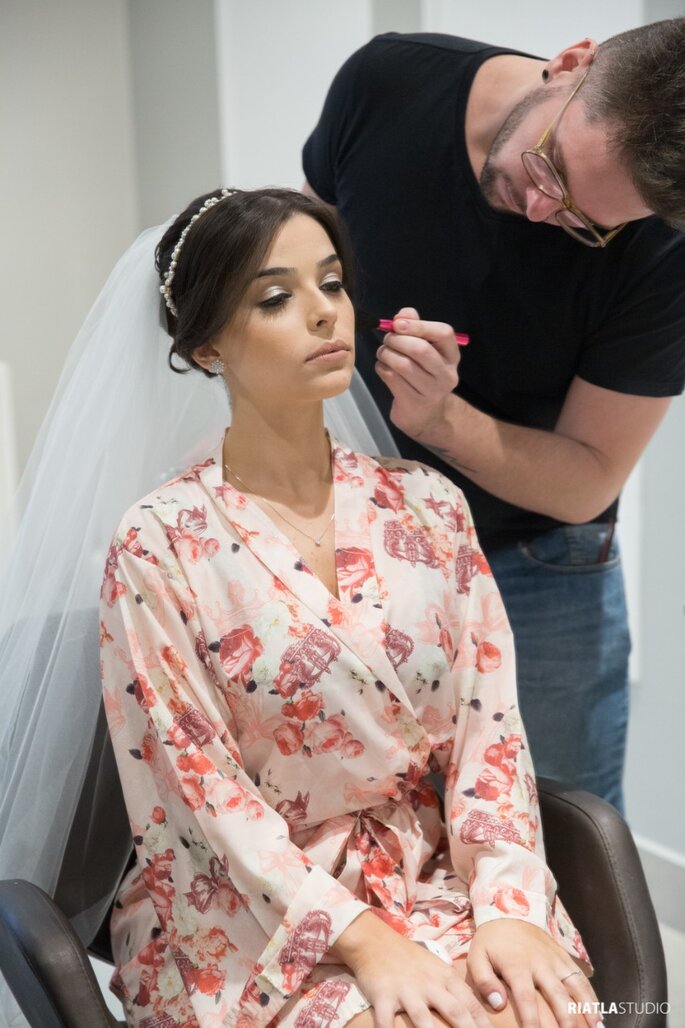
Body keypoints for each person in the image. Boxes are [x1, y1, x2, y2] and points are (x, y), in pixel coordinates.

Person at [96, 187, 599, 1028]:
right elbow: (196, 793)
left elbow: (491, 730)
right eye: (276, 297)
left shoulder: (428, 505)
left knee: (543, 1010)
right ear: (208, 346)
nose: (325, 315)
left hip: (432, 873)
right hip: (245, 905)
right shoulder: (159, 543)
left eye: (332, 284)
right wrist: (364, 942)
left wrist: (508, 905)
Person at [302, 19, 685, 815]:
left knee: (555, 834)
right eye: (549, 168)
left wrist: (441, 419)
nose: (543, 210)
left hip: (536, 566)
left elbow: (585, 479)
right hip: (348, 536)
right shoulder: (387, 83)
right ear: (570, 63)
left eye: (586, 221)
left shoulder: (660, 255)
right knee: (373, 822)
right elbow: (307, 262)